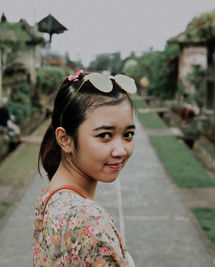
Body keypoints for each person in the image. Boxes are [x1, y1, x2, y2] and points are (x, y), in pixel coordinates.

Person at [33, 71, 137, 266]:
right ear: (65, 139)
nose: (121, 150)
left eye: (128, 134)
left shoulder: (51, 196)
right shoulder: (87, 220)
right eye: (105, 135)